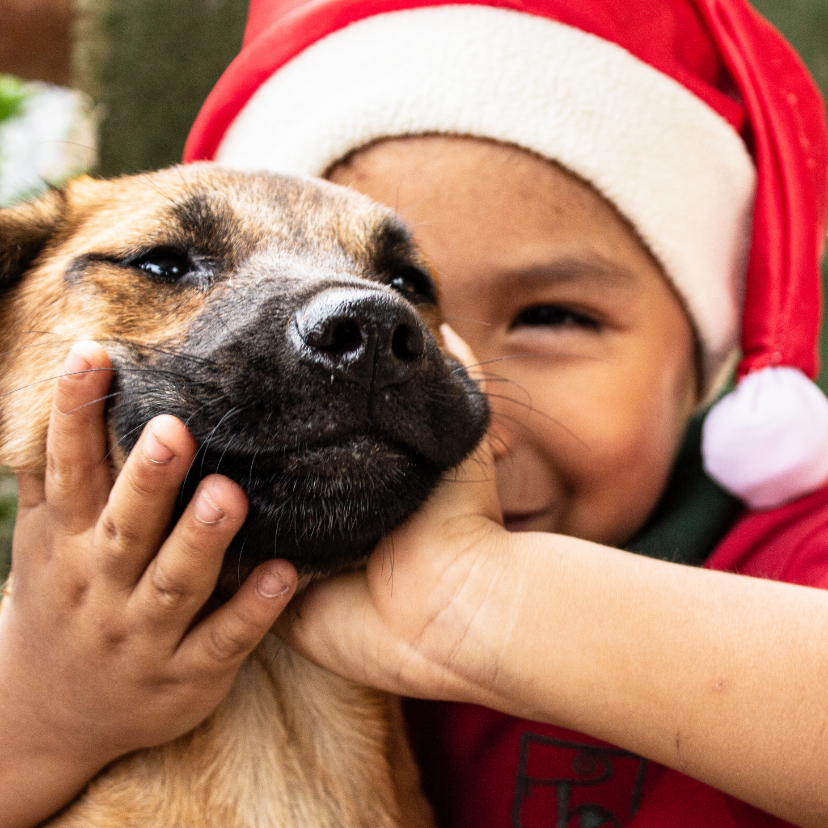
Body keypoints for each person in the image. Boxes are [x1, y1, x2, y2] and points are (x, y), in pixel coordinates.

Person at [2, 0, 828, 826]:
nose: (390, 337)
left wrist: (480, 599)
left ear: (703, 380)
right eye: (167, 264)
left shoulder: (787, 558)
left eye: (405, 293)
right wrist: (49, 705)